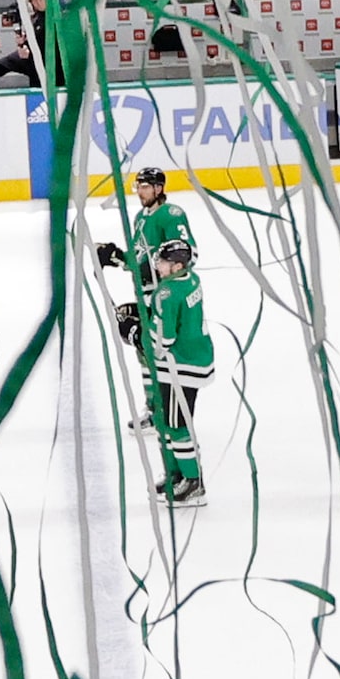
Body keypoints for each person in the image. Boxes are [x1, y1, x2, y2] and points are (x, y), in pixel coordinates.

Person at [95, 166, 194, 434]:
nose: (140, 191)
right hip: (146, 292)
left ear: (159, 188)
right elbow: (140, 257)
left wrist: (165, 284)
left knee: (159, 351)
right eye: (138, 186)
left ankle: (168, 412)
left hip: (164, 295)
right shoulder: (140, 217)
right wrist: (116, 256)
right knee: (144, 352)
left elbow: (189, 253)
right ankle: (154, 409)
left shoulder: (172, 215)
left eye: (145, 186)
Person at [143, 238, 212, 507]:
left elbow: (163, 342)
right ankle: (176, 475)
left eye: (163, 262)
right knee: (164, 420)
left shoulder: (167, 293)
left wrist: (136, 330)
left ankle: (193, 482)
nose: (158, 265)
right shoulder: (190, 280)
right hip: (192, 358)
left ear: (178, 266)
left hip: (178, 366)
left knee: (177, 425)